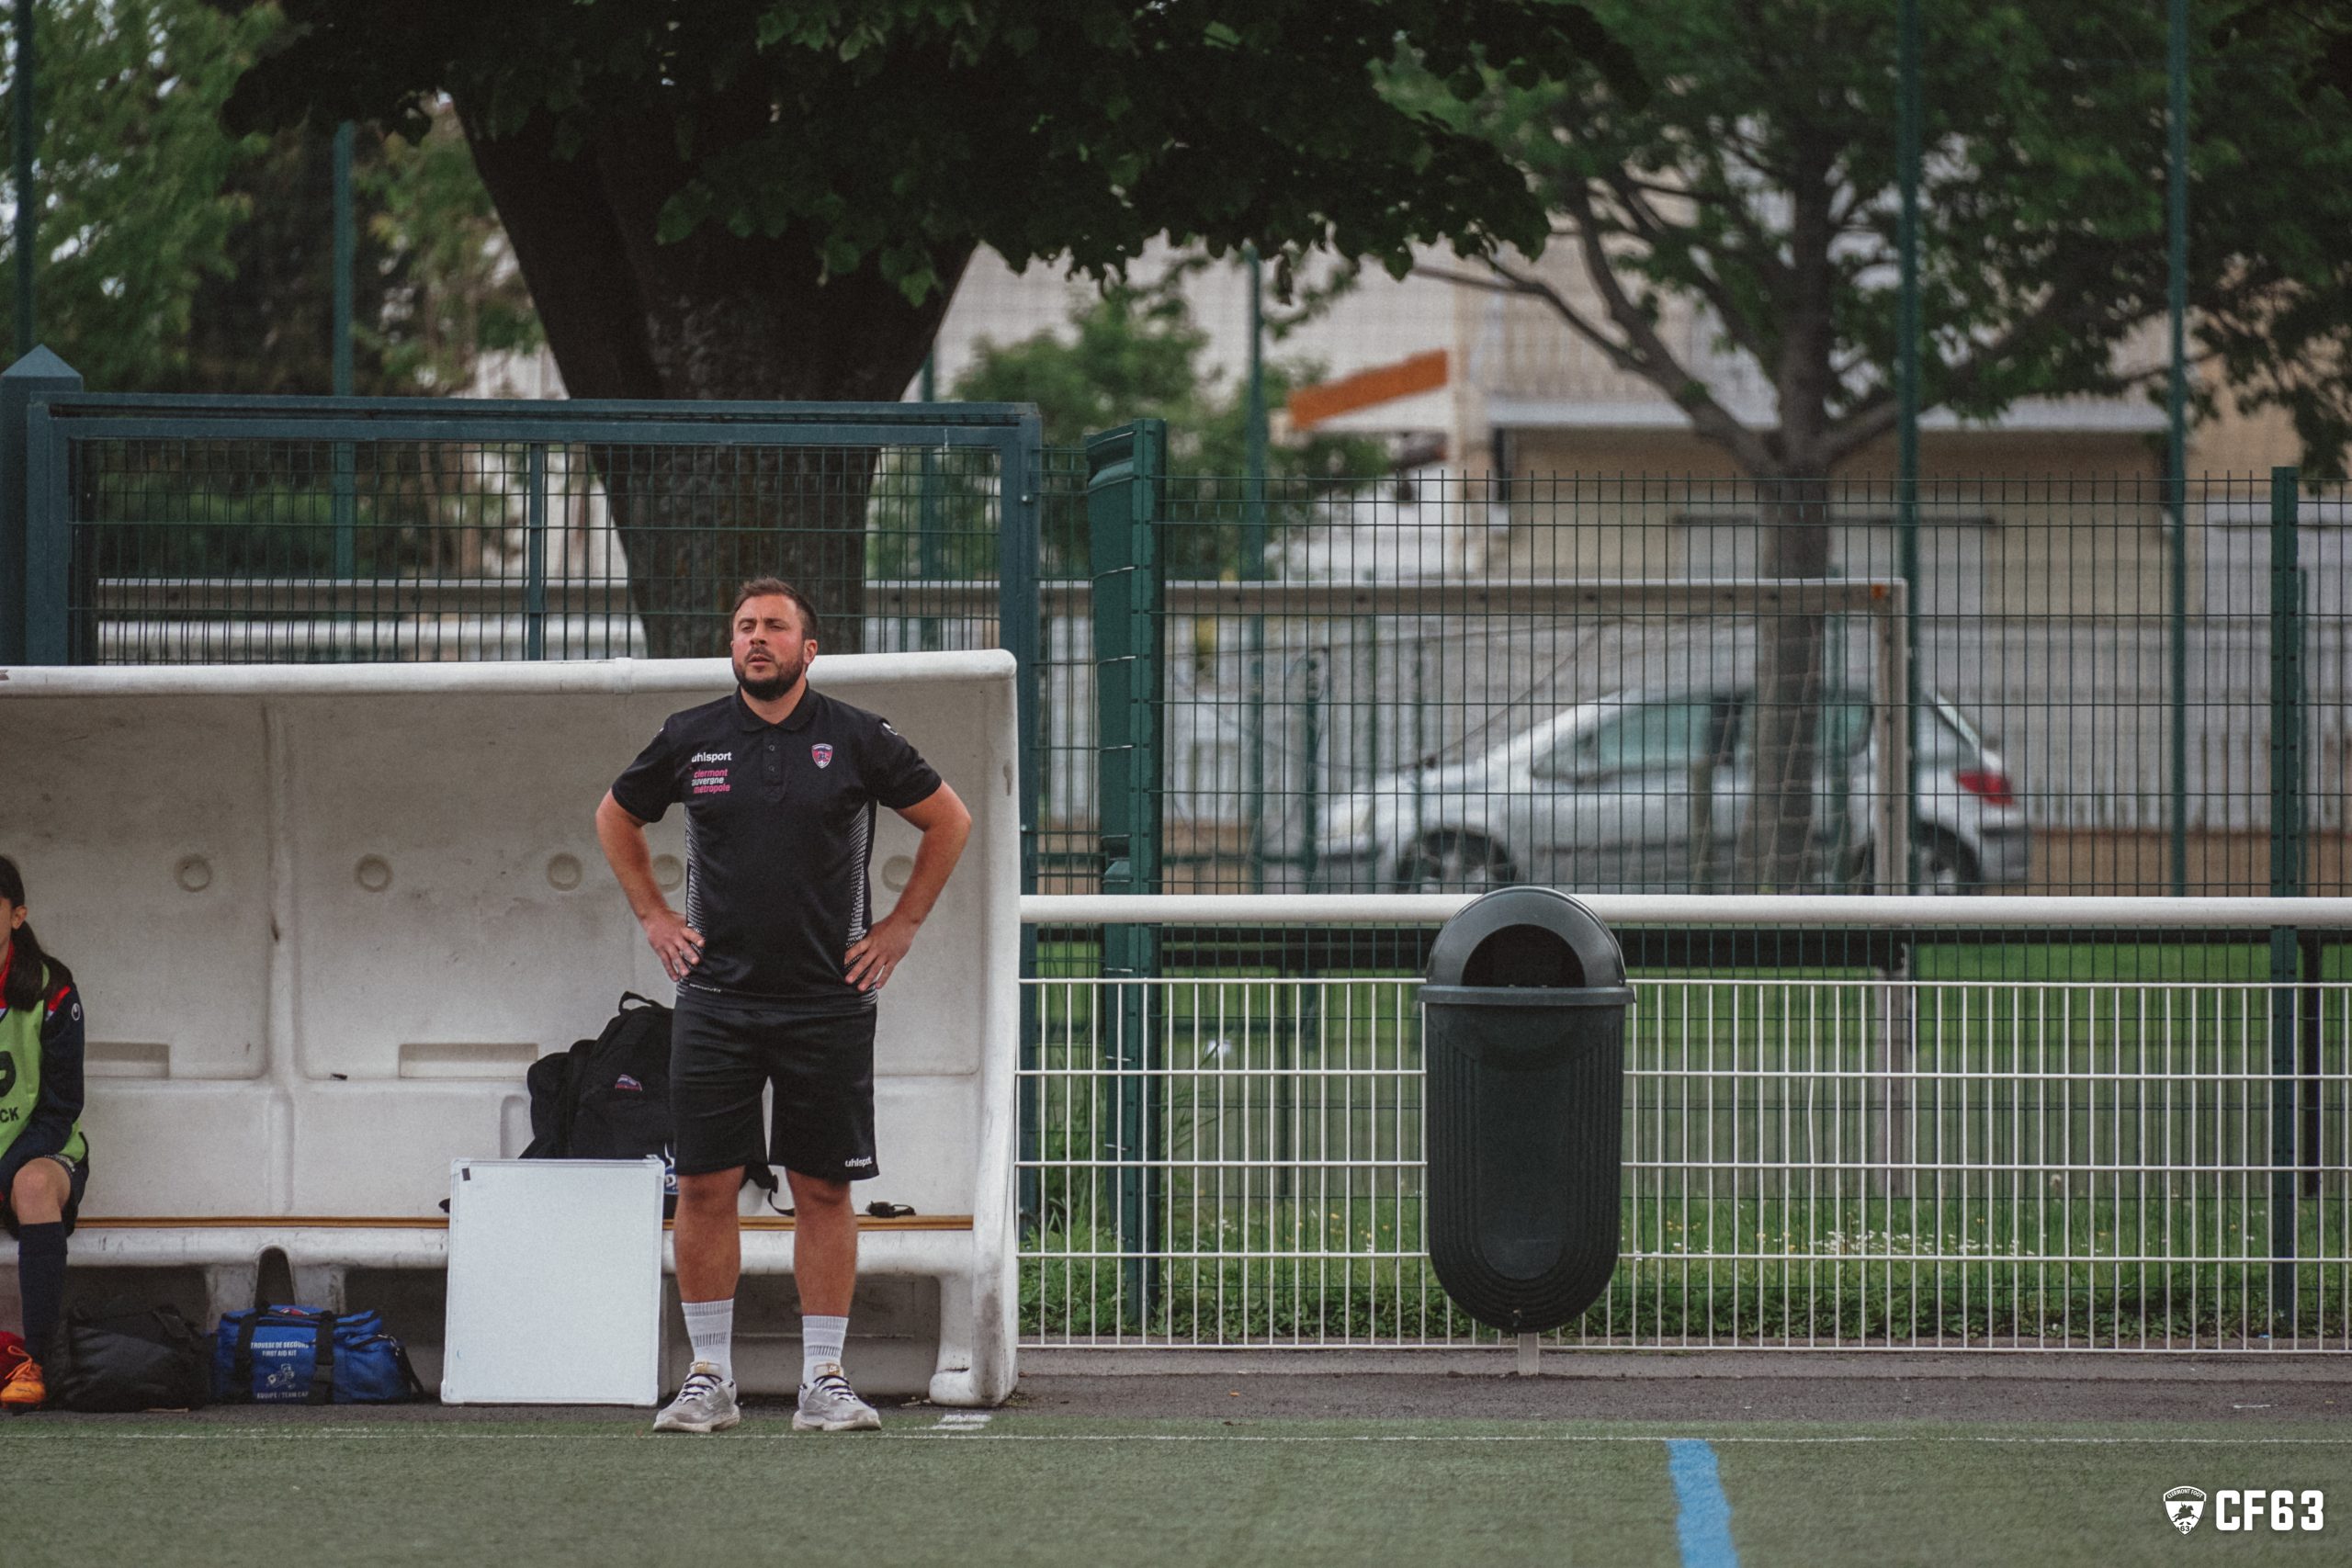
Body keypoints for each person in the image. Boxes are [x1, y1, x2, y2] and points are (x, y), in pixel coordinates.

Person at [595, 578, 971, 1435]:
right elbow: (614, 817)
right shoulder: (691, 737)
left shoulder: (857, 737)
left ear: (809, 648)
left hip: (827, 1003)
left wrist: (902, 925)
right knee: (702, 1184)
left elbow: (949, 819)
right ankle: (709, 1378)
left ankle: (823, 1381)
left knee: (823, 1189)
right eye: (744, 627)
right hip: (716, 1002)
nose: (756, 638)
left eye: (774, 627)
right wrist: (655, 916)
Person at [0, 855, 89, 1411]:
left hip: (41, 1155)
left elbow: (61, 1108)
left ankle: (37, 1361)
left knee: (32, 1188)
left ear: (16, 916)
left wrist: (4, 1172)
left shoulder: (51, 988)